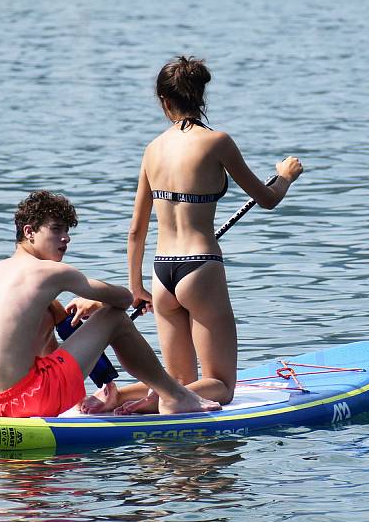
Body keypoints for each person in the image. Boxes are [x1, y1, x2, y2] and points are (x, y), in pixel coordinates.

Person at [122, 56, 304, 414]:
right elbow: (267, 199)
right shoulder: (217, 142)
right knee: (221, 386)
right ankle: (144, 403)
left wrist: (136, 288)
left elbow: (135, 230)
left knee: (178, 382)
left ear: (164, 100)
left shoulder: (152, 149)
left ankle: (120, 396)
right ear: (201, 97)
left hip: (161, 274)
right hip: (200, 268)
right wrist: (285, 175)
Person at [0, 190, 221, 418]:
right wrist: (96, 302)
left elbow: (37, 346)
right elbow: (122, 300)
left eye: (67, 231)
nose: (65, 238)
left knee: (48, 315)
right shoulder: (51, 272)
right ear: (29, 232)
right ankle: (175, 396)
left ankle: (100, 392)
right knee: (115, 318)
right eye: (56, 229)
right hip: (31, 399)